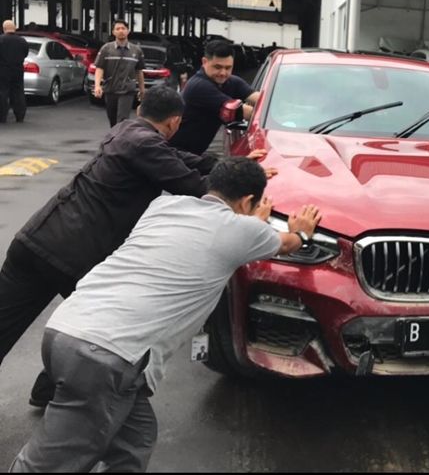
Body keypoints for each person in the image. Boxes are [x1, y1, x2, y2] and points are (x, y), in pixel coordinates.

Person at [10, 157, 321, 472]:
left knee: (135, 439)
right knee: (50, 463)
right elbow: (286, 244)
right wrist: (302, 232)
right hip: (106, 355)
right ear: (246, 202)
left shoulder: (163, 206)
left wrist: (251, 223)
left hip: (65, 329)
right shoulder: (241, 230)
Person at [0, 85, 272, 407]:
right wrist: (243, 187)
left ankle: (48, 391)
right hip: (71, 256)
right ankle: (53, 391)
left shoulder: (126, 130)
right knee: (91, 330)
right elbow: (193, 186)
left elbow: (178, 158)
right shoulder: (147, 147)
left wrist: (227, 164)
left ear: (142, 110)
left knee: (8, 324)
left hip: (34, 240)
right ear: (174, 123)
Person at [168, 40, 260, 155]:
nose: (223, 73)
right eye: (217, 67)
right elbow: (250, 113)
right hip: (173, 152)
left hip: (193, 154)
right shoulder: (199, 86)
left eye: (228, 68)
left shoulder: (232, 82)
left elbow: (262, 100)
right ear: (204, 62)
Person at [93, 19, 146, 127]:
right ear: (113, 32)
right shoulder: (106, 49)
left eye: (123, 28)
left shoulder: (136, 51)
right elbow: (99, 68)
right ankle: (115, 139)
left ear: (128, 31)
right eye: (118, 29)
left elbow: (139, 71)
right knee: (113, 120)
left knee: (122, 120)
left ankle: (119, 141)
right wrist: (97, 86)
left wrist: (142, 89)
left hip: (127, 90)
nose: (121, 31)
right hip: (111, 89)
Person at [0, 20, 30, 123]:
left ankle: (2, 116)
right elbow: (26, 53)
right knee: (18, 92)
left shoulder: (1, 40)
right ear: (15, 28)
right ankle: (20, 115)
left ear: (4, 29)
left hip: (3, 70)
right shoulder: (22, 41)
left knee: (3, 92)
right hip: (18, 69)